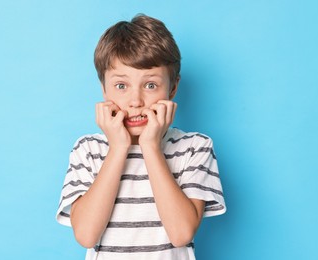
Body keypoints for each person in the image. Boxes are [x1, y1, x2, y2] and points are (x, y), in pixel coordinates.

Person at [56, 14, 226, 260]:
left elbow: (181, 234)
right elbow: (86, 235)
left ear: (173, 88)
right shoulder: (88, 150)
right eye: (121, 86)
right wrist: (117, 149)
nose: (135, 101)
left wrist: (151, 146)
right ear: (104, 88)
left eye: (150, 85)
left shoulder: (194, 148)